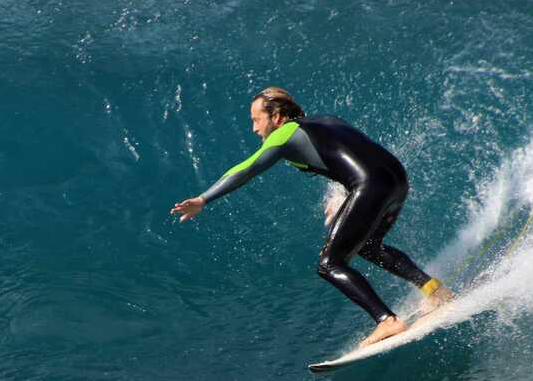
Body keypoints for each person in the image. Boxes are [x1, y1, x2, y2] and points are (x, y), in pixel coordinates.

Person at [170, 87, 456, 348]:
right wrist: (346, 198)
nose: (254, 128)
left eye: (257, 120)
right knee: (367, 245)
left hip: (369, 186)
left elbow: (247, 168)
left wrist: (203, 199)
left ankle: (387, 321)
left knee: (330, 263)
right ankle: (434, 289)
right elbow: (351, 155)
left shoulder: (284, 134)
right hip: (396, 179)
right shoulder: (327, 120)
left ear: (278, 117)